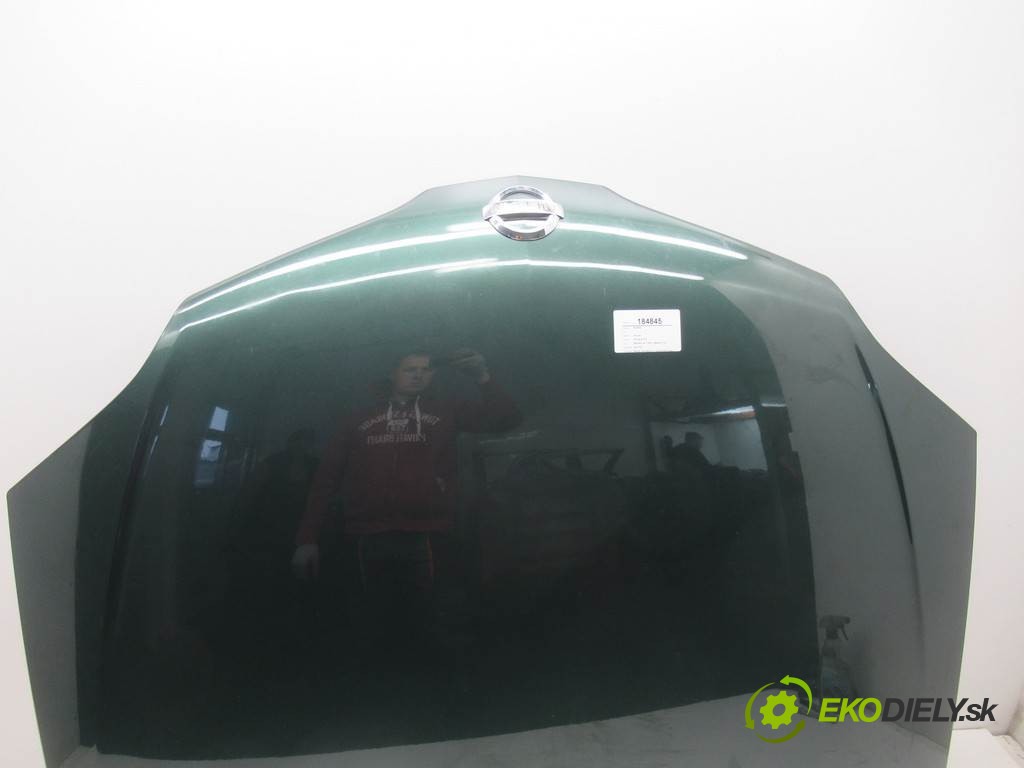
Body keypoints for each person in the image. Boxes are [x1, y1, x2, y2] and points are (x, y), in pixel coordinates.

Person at [290, 348, 522, 647]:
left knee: (431, 622)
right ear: (393, 373)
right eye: (410, 369)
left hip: (429, 535)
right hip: (365, 537)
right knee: (371, 623)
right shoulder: (358, 418)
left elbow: (507, 419)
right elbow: (326, 479)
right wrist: (307, 539)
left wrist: (482, 376)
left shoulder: (447, 410)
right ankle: (376, 671)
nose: (418, 375)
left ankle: (430, 671)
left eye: (426, 369)